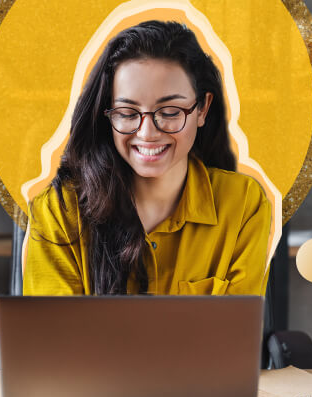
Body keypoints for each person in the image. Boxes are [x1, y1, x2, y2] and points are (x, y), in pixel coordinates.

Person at [22, 20, 272, 296]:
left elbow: (236, 332)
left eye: (170, 111)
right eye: (128, 113)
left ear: (202, 109)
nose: (147, 133)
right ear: (108, 114)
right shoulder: (59, 210)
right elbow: (54, 335)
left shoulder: (244, 203)